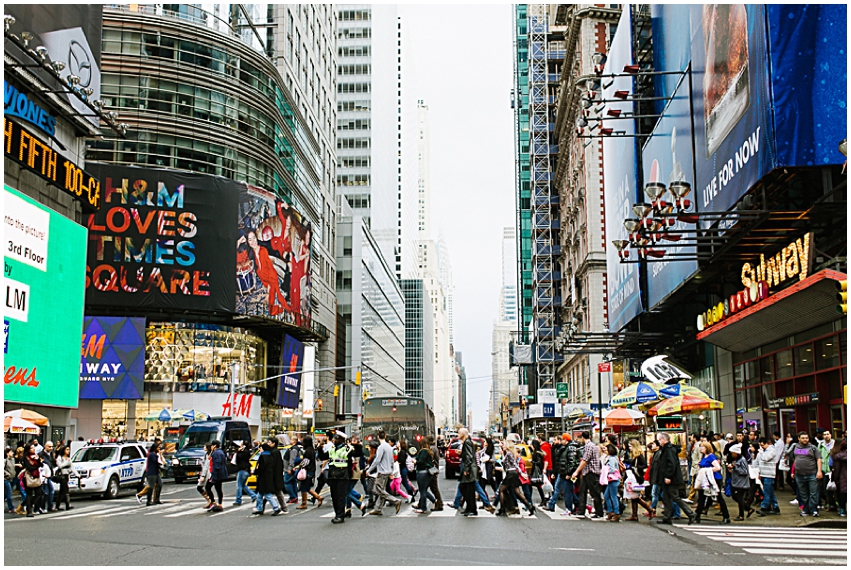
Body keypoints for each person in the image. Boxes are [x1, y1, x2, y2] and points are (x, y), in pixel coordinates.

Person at [653, 433, 696, 525]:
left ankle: (690, 513)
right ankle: (667, 517)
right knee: (667, 497)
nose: (659, 442)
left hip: (671, 478)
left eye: (660, 440)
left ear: (664, 440)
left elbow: (671, 464)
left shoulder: (668, 449)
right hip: (668, 477)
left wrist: (668, 476)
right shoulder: (668, 449)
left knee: (674, 496)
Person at [366, 430, 402, 516]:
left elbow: (377, 460)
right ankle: (378, 509)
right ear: (385, 436)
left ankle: (395, 501)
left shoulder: (381, 447)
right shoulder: (389, 447)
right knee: (382, 489)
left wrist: (369, 470)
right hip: (388, 470)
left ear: (378, 437)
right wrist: (391, 471)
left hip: (382, 471)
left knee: (379, 490)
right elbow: (392, 460)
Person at [693, 441, 730, 524]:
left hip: (714, 479)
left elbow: (718, 467)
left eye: (703, 447)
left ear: (707, 448)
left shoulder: (711, 456)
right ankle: (697, 516)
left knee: (719, 497)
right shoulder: (704, 456)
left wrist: (707, 470)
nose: (701, 448)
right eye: (701, 447)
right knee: (701, 497)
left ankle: (726, 516)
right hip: (705, 479)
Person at [788, 431, 823, 517]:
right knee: (803, 494)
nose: (805, 440)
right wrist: (793, 471)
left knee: (813, 493)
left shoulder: (813, 448)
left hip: (812, 474)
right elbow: (794, 459)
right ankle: (806, 509)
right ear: (799, 438)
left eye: (806, 438)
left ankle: (814, 509)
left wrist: (819, 471)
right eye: (803, 438)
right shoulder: (795, 447)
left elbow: (819, 459)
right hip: (799, 475)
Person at [571, 431, 604, 519]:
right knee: (583, 491)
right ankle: (581, 510)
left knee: (594, 493)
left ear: (582, 438)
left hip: (591, 472)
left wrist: (577, 471)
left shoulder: (589, 446)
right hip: (588, 472)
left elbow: (585, 460)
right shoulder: (593, 446)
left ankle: (599, 511)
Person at [326, 431, 354, 523]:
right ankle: (337, 514)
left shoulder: (347, 449)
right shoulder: (332, 448)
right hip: (333, 474)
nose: (334, 440)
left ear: (342, 440)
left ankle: (340, 515)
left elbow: (350, 462)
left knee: (340, 496)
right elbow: (325, 457)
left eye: (337, 438)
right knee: (334, 496)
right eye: (334, 438)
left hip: (342, 474)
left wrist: (349, 474)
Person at [250, 440, 283, 516]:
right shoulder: (269, 455)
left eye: (260, 449)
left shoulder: (263, 457)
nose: (259, 450)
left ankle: (276, 507)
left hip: (263, 478)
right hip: (268, 477)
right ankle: (259, 508)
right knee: (260, 494)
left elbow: (261, 468)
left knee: (267, 494)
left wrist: (255, 472)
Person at [623, 439, 653, 521]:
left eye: (630, 446)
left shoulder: (639, 456)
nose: (629, 448)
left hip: (636, 478)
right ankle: (634, 514)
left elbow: (644, 466)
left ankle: (650, 509)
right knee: (634, 497)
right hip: (634, 477)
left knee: (635, 497)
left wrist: (634, 467)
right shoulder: (635, 456)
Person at [295, 436, 323, 509]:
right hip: (311, 471)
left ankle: (305, 503)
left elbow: (306, 462)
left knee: (304, 487)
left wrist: (298, 466)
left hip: (307, 471)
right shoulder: (312, 450)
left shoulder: (308, 451)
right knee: (306, 487)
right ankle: (318, 497)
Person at [458, 428, 480, 517]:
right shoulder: (468, 441)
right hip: (470, 468)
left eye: (459, 433)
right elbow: (467, 455)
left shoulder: (467, 442)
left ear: (463, 434)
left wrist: (466, 469)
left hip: (470, 469)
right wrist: (461, 453)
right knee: (466, 488)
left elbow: (469, 457)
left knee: (467, 489)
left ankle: (472, 509)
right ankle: (469, 508)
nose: (458, 435)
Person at [728, 443, 752, 520]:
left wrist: (735, 468)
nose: (732, 455)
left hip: (742, 483)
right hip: (736, 482)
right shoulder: (737, 460)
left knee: (740, 498)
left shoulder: (742, 460)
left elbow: (745, 472)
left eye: (732, 453)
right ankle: (748, 509)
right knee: (736, 497)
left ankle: (741, 515)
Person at [755, 437, 779, 516]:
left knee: (767, 492)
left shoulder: (771, 450)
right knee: (770, 492)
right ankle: (775, 507)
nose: (761, 447)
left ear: (767, 443)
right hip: (763, 474)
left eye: (762, 445)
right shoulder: (763, 451)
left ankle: (764, 507)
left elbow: (765, 458)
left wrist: (761, 452)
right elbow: (758, 462)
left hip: (769, 475)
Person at [233, 440, 258, 506]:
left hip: (242, 470)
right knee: (243, 485)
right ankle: (254, 496)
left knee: (239, 485)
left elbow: (238, 459)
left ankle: (238, 500)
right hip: (246, 470)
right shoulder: (248, 452)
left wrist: (238, 451)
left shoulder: (243, 452)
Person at [21, 444, 43, 517]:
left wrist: (37, 460)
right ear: (28, 449)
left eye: (34, 448)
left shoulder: (36, 456)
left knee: (38, 493)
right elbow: (29, 468)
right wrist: (37, 465)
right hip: (29, 477)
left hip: (36, 476)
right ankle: (29, 511)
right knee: (29, 494)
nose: (33, 449)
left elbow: (41, 465)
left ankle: (29, 505)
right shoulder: (26, 458)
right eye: (31, 448)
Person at [206, 440, 228, 512]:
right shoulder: (220, 452)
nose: (211, 447)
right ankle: (219, 504)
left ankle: (214, 503)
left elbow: (217, 465)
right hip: (221, 474)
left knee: (208, 487)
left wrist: (213, 475)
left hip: (216, 474)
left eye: (212, 445)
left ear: (214, 445)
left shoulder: (216, 453)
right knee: (218, 489)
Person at [602, 444, 622, 522]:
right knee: (606, 496)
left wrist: (605, 471)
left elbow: (613, 469)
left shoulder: (612, 459)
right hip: (611, 480)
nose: (605, 451)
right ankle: (611, 511)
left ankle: (616, 513)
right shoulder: (612, 458)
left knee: (613, 496)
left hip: (613, 479)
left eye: (606, 449)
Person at [140, 442, 164, 506]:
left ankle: (156, 499)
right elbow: (156, 462)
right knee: (151, 486)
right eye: (158, 448)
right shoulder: (152, 455)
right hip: (151, 472)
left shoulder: (155, 454)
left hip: (156, 472)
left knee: (160, 484)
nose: (159, 449)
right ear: (155, 448)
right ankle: (149, 501)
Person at [818, 430, 835, 511]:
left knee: (835, 489)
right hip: (825, 469)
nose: (826, 436)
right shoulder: (821, 445)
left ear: (830, 435)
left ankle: (833, 503)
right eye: (824, 434)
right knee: (825, 489)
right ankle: (829, 503)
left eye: (828, 434)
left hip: (833, 469)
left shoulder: (835, 444)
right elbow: (819, 458)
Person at [53, 445, 74, 511]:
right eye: (67, 449)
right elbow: (60, 466)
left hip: (66, 475)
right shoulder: (60, 457)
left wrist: (78, 475)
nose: (68, 451)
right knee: (65, 490)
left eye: (69, 449)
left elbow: (72, 468)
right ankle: (67, 504)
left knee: (62, 491)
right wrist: (66, 462)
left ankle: (57, 505)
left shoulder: (68, 458)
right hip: (61, 475)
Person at [38, 440, 56, 513]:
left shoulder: (51, 454)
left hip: (49, 475)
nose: (51, 448)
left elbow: (52, 464)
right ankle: (44, 506)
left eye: (52, 446)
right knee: (47, 492)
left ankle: (49, 506)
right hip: (44, 476)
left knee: (49, 491)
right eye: (49, 446)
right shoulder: (41, 454)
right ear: (45, 446)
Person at [830, 438, 846, 517]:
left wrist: (835, 479)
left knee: (842, 494)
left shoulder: (838, 457)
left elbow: (837, 469)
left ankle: (842, 510)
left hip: (842, 477)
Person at [4, 447, 16, 513]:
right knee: (9, 493)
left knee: (5, 494)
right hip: (5, 479)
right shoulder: (5, 460)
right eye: (11, 452)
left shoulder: (13, 460)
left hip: (11, 478)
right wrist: (7, 474)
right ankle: (11, 507)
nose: (12, 453)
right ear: (7, 453)